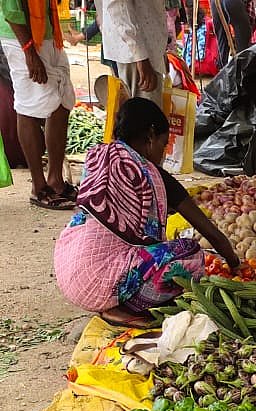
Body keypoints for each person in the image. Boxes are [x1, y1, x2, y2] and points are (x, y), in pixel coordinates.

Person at [54, 97, 239, 326]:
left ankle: (112, 303)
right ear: (151, 135)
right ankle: (121, 308)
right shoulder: (150, 173)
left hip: (69, 269)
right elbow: (211, 234)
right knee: (191, 255)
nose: (162, 153)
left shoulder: (99, 157)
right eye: (163, 143)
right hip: (99, 282)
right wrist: (235, 264)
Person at [0, 0, 75, 208]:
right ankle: (39, 187)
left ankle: (56, 181)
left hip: (48, 34)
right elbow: (11, 10)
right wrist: (29, 52)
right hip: (21, 38)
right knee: (29, 105)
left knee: (62, 102)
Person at [99, 0, 168, 108]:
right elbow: (118, 7)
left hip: (147, 48)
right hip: (136, 52)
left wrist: (160, 50)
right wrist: (140, 55)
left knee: (146, 113)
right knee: (142, 115)